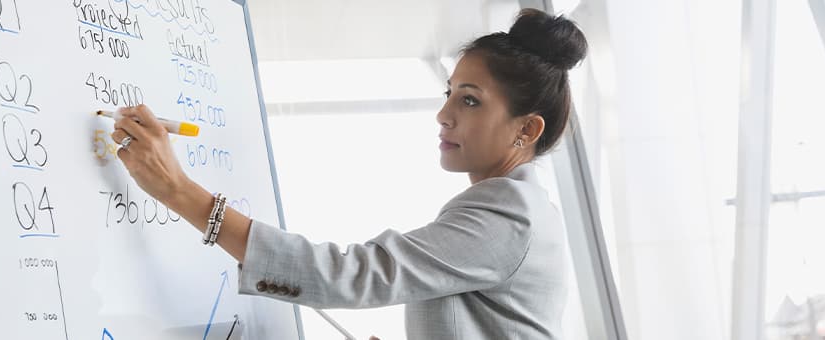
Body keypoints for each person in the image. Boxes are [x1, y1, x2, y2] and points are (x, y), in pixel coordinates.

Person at [108, 8, 587, 340]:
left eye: (469, 99)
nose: (443, 114)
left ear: (527, 129)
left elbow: (353, 276)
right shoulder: (520, 208)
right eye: (449, 92)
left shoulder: (511, 213)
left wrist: (179, 190)